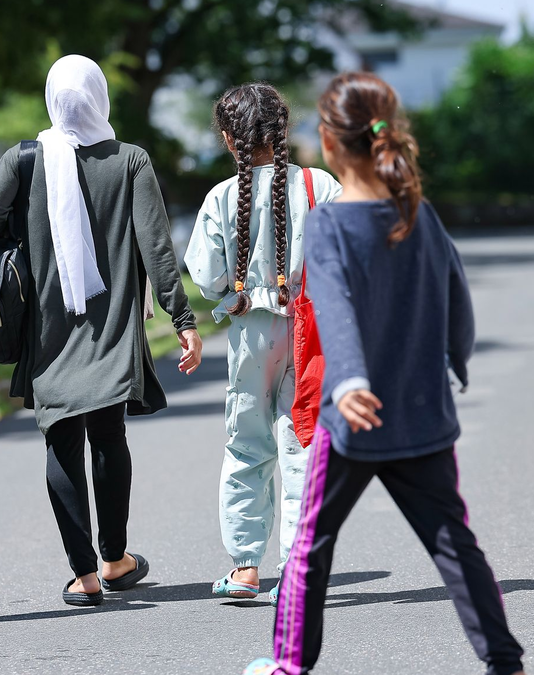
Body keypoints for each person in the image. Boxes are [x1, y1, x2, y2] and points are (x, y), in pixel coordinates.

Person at [244, 72, 525, 675]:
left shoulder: (329, 225)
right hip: (422, 414)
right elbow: (458, 301)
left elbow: (336, 309)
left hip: (350, 422)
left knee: (311, 549)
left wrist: (348, 381)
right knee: (454, 544)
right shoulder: (421, 216)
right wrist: (455, 361)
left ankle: (290, 665)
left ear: (327, 141)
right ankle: (506, 662)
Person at [0, 55, 202, 607]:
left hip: (49, 325)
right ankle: (115, 558)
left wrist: (30, 229)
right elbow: (156, 246)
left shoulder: (27, 158)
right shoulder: (131, 160)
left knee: (61, 439)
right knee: (108, 437)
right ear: (101, 97)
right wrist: (182, 318)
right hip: (110, 326)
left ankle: (85, 575)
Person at [185, 83, 341, 606]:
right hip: (308, 331)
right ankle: (297, 572)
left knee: (246, 445)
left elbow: (207, 278)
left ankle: (245, 567)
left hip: (251, 332)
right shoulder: (319, 185)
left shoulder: (221, 197)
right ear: (284, 130)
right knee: (301, 446)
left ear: (229, 139)